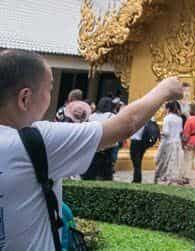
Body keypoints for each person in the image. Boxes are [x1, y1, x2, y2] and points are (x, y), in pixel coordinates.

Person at [0, 49, 183, 250]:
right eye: (49, 89)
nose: (50, 98)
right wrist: (165, 89)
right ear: (25, 98)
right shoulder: (34, 141)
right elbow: (125, 124)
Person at [82, 97, 117, 180]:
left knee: (90, 172)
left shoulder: (91, 116)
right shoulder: (112, 116)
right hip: (107, 148)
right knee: (106, 173)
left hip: (92, 147)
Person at [155, 100, 186, 184]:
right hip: (177, 142)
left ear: (168, 108)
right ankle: (170, 177)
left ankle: (163, 176)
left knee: (163, 160)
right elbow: (180, 131)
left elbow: (166, 132)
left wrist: (159, 133)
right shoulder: (179, 118)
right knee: (173, 161)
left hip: (168, 142)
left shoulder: (167, 118)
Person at [129, 116, 158, 184]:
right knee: (138, 160)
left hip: (136, 142)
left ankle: (137, 179)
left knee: (136, 162)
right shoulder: (149, 118)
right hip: (143, 142)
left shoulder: (136, 118)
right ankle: (137, 178)